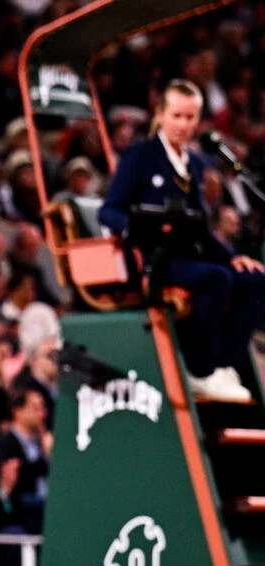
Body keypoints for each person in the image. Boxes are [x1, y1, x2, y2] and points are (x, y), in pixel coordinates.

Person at [99, 79, 265, 401]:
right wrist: (138, 229)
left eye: (190, 118)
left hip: (192, 255)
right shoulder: (140, 156)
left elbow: (201, 226)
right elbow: (110, 211)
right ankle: (201, 371)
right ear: (160, 115)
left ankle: (224, 367)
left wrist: (230, 256)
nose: (183, 125)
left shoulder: (197, 164)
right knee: (214, 279)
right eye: (176, 116)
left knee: (254, 278)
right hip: (156, 259)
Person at [0, 387, 51, 534]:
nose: (42, 413)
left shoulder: (42, 441)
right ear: (18, 411)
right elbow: (19, 476)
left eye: (43, 407)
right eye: (35, 408)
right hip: (23, 511)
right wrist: (45, 458)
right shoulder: (4, 442)